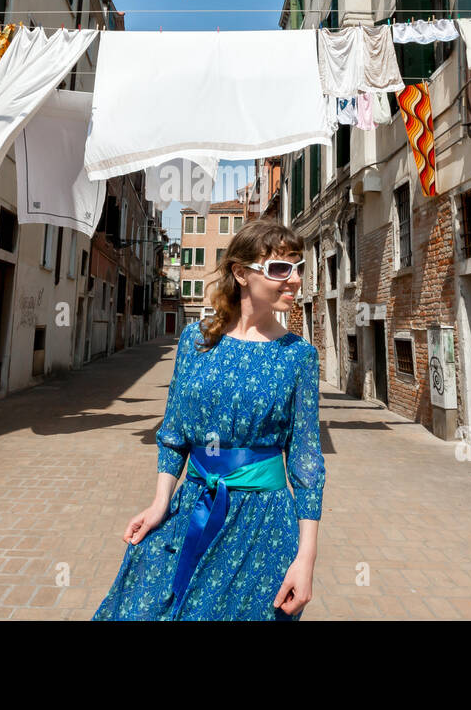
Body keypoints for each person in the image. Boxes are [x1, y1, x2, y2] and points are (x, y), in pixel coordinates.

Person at [92, 219, 325, 620]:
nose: (295, 279)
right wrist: (159, 502)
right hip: (193, 507)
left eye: (299, 267)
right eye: (280, 269)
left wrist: (306, 560)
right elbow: (174, 433)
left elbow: (305, 461)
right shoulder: (196, 341)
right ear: (241, 273)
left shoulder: (299, 356)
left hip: (264, 526)